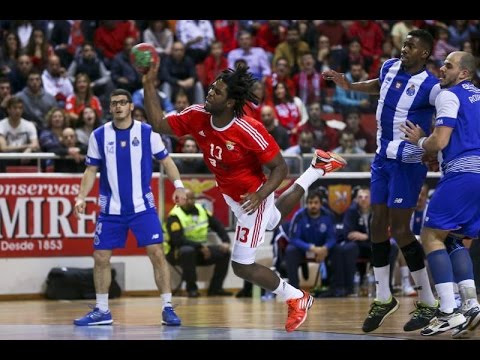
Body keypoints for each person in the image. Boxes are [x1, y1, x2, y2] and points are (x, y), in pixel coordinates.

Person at [143, 61, 347, 332]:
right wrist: (148, 82)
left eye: (217, 91)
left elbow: (280, 168)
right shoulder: (197, 114)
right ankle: (317, 168)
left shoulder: (248, 128)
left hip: (253, 197)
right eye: (212, 86)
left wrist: (261, 194)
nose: (210, 92)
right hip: (232, 196)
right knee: (273, 221)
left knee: (241, 265)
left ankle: (297, 297)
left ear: (230, 103)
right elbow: (158, 124)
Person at [323, 29, 441, 333]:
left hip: (408, 161)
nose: (404, 48)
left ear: (425, 54)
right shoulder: (389, 66)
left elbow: (448, 116)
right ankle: (383, 296)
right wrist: (349, 84)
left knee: (400, 230)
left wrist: (429, 144)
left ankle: (428, 301)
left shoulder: (431, 86)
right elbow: (379, 86)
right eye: (404, 43)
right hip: (381, 158)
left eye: (411, 46)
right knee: (376, 223)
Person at [73, 89, 187, 327]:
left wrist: (179, 186)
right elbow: (91, 170)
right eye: (113, 103)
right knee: (100, 257)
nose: (117, 107)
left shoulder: (147, 133)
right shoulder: (99, 135)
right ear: (110, 107)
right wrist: (81, 196)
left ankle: (167, 307)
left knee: (157, 253)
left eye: (122, 103)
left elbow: (166, 161)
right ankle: (102, 310)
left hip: (142, 206)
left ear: (130, 107)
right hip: (111, 208)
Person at [400, 51, 480, 338]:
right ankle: (470, 303)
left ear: (464, 74)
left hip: (464, 174)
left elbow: (439, 140)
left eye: (449, 65)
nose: (441, 69)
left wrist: (421, 139)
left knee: (432, 236)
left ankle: (448, 310)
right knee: (456, 239)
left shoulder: (450, 95)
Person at [165, 188, 232, 298]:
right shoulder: (174, 216)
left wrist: (226, 241)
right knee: (187, 251)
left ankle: (215, 289)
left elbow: (217, 225)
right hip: (177, 253)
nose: (190, 201)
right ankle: (191, 289)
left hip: (200, 251)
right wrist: (200, 247)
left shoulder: (202, 210)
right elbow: (178, 241)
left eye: (193, 199)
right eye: (187, 199)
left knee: (225, 252)